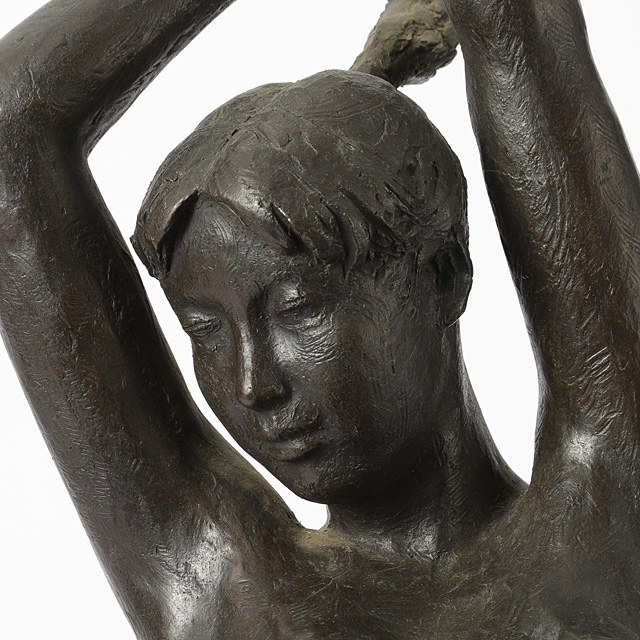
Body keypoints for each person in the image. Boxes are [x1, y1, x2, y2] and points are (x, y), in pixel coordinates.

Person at [0, 0, 638, 638]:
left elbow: (516, 23)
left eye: (297, 310)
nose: (253, 384)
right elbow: (11, 124)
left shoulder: (603, 526)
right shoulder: (219, 580)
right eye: (205, 331)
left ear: (443, 275)